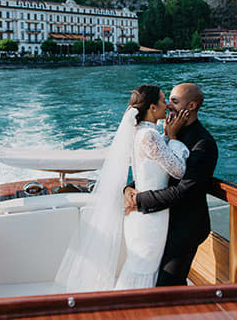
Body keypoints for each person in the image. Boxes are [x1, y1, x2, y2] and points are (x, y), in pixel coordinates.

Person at [55, 84, 190, 292]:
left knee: (140, 270)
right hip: (151, 217)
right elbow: (179, 170)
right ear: (152, 108)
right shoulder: (149, 136)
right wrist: (172, 138)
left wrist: (166, 135)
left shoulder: (142, 132)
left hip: (145, 212)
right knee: (144, 271)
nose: (167, 106)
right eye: (163, 101)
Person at [124, 83, 218, 287]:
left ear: (191, 106)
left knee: (167, 283)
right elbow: (155, 169)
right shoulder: (168, 132)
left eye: (174, 102)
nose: (168, 106)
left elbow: (185, 191)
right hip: (161, 220)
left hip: (186, 225)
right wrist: (129, 188)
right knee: (154, 277)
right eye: (167, 101)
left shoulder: (203, 144)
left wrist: (139, 200)